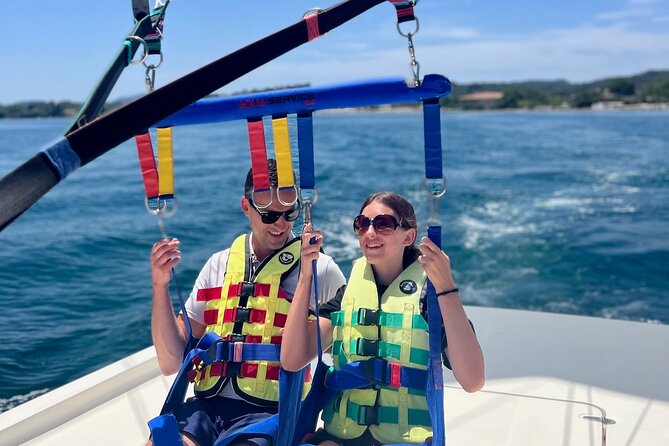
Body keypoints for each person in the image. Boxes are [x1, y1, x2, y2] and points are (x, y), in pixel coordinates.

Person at [148, 159, 346, 446]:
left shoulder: (322, 269)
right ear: (246, 207)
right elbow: (170, 362)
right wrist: (159, 285)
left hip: (271, 411)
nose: (280, 224)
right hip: (205, 407)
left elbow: (341, 349)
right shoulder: (218, 264)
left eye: (289, 213)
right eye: (269, 215)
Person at [281, 191, 484, 446]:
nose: (370, 233)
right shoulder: (348, 295)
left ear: (408, 236)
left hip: (404, 440)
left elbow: (473, 380)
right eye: (362, 224)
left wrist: (446, 287)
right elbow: (292, 359)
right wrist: (305, 275)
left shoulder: (428, 299)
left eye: (383, 224)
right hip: (340, 437)